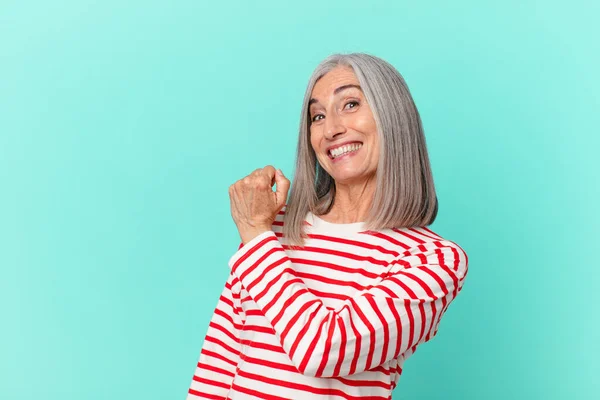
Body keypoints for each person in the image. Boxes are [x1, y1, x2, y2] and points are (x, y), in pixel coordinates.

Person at [186, 53, 469, 399]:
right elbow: (219, 361)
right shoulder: (272, 226)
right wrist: (260, 232)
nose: (331, 128)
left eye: (350, 104)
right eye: (317, 116)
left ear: (394, 118)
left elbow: (320, 351)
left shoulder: (433, 260)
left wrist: (255, 235)